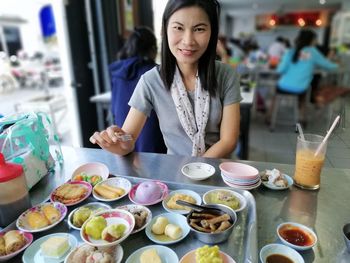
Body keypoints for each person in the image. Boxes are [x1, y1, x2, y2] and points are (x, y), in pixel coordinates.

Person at [90, 0, 241, 158]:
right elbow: (129, 137)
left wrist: (197, 169)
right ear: (164, 30)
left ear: (212, 33)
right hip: (175, 174)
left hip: (219, 171)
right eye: (178, 28)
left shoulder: (226, 75)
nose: (188, 40)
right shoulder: (150, 81)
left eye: (199, 29)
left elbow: (229, 140)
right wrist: (119, 139)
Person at [109, 26, 166, 153]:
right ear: (152, 49)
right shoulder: (155, 74)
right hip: (153, 148)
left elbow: (114, 110)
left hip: (122, 143)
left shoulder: (116, 72)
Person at [267, 29, 338, 123]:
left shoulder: (290, 51)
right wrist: (338, 65)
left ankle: (269, 117)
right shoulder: (313, 52)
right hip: (300, 88)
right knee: (304, 95)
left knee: (275, 96)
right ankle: (301, 118)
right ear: (311, 40)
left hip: (283, 86)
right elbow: (328, 65)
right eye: (315, 39)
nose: (316, 42)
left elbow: (281, 70)